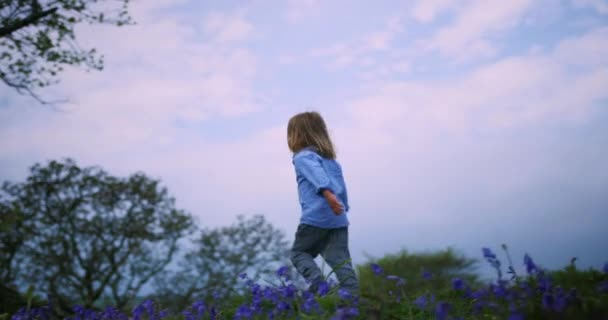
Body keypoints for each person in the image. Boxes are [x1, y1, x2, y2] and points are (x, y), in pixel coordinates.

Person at [287, 111, 359, 296]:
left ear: (296, 135)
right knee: (340, 260)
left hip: (316, 217)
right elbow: (341, 187)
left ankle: (318, 283)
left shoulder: (302, 157)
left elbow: (317, 176)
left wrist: (328, 194)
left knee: (299, 253)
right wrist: (343, 206)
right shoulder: (331, 162)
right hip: (338, 219)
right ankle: (352, 297)